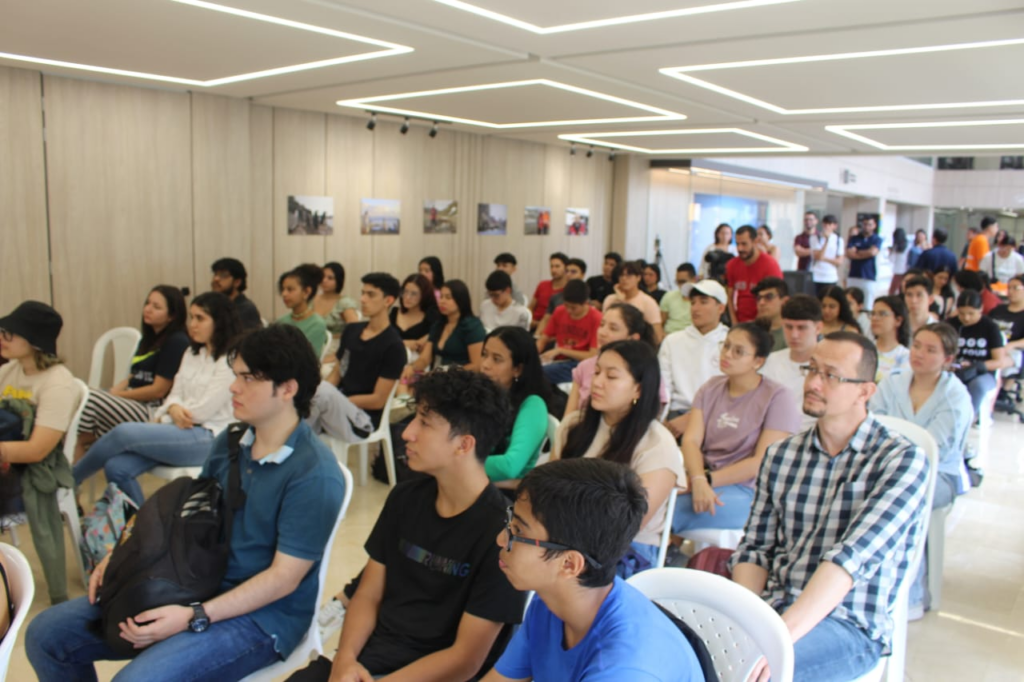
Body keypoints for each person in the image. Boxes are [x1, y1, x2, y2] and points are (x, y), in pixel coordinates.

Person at [28, 324, 346, 681]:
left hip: (262, 618)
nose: (233, 387)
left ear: (287, 388)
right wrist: (121, 561)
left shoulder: (314, 474)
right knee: (47, 634)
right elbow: (183, 520)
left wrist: (195, 615)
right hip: (194, 581)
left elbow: (283, 580)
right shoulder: (232, 440)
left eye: (248, 378)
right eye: (235, 375)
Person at [294, 369, 526, 682]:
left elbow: (465, 659)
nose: (407, 433)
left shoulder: (503, 534)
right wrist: (345, 661)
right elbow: (368, 595)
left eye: (425, 423)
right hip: (368, 661)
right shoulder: (405, 498)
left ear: (464, 445)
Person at [731, 332, 930, 682]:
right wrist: (747, 623)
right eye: (812, 370)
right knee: (699, 653)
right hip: (774, 607)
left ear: (865, 391)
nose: (813, 383)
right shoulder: (782, 454)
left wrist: (774, 638)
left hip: (847, 624)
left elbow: (850, 560)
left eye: (830, 376)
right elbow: (756, 548)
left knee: (756, 670)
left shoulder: (901, 460)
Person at [483, 458, 703, 682]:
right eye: (510, 523)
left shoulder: (625, 669)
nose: (501, 539)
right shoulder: (550, 604)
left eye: (517, 531)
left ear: (569, 564)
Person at [73, 292, 242, 506]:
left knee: (124, 432)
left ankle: (70, 481)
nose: (193, 324)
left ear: (219, 322)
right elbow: (174, 394)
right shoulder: (192, 353)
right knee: (116, 467)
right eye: (192, 317)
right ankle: (144, 531)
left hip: (210, 437)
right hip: (179, 430)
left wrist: (172, 410)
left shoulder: (231, 360)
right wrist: (172, 410)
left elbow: (202, 412)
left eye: (200, 318)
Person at [553, 340, 684, 576]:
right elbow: (546, 490)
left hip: (624, 552)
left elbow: (629, 525)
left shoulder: (657, 444)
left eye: (611, 377)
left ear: (639, 389)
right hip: (562, 537)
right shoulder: (573, 426)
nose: (597, 382)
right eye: (596, 372)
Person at [870, 323, 972, 617]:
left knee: (904, 500)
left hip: (940, 476)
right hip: (889, 467)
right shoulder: (894, 382)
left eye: (931, 350)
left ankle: (910, 596)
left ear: (948, 359)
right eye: (917, 346)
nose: (920, 354)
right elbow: (875, 426)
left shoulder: (955, 396)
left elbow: (934, 449)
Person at [674, 324, 800, 535]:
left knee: (668, 511)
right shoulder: (710, 388)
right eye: (726, 346)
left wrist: (706, 482)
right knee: (651, 499)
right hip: (703, 477)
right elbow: (691, 441)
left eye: (738, 351)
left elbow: (760, 462)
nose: (727, 355)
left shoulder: (777, 397)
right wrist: (697, 479)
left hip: (750, 492)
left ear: (758, 361)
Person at [0, 301, 76, 604]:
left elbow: (37, 450)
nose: (2, 338)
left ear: (34, 341)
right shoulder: (9, 371)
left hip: (32, 472)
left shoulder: (58, 383)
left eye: (9, 333)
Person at [75, 285, 190, 460]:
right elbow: (131, 377)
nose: (148, 309)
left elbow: (158, 390)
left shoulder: (177, 342)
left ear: (172, 316)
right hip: (132, 403)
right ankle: (71, 484)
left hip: (153, 411)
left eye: (156, 307)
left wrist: (117, 396)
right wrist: (112, 392)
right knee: (76, 428)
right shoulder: (148, 340)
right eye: (147, 303)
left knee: (88, 397)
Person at [317, 274, 407, 441]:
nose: (363, 299)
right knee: (304, 404)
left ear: (388, 301)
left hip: (364, 417)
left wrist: (338, 400)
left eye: (370, 295)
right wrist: (321, 393)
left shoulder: (393, 345)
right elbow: (337, 373)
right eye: (362, 293)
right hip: (340, 403)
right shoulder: (352, 330)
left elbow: (378, 400)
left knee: (305, 418)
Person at [566, 303, 667, 416]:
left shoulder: (646, 370)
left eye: (613, 328)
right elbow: (569, 418)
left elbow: (653, 417)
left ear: (633, 338)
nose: (602, 332)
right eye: (602, 325)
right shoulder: (584, 367)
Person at [480, 327, 553, 483]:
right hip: (470, 481)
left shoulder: (532, 405)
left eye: (497, 359)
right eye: (484, 355)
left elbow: (509, 466)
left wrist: (455, 460)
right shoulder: (483, 395)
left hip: (504, 495)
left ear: (518, 369)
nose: (485, 364)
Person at [660, 280, 730, 439]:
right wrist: (661, 422)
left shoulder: (731, 342)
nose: (695, 308)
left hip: (718, 416)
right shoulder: (673, 341)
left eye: (703, 302)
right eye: (693, 303)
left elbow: (735, 392)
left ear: (721, 308)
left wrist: (694, 418)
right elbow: (664, 387)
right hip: (676, 414)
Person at [401, 279, 486, 389]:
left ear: (460, 300)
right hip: (438, 377)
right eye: (441, 297)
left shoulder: (472, 326)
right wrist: (412, 368)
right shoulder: (438, 325)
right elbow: (425, 359)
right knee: (403, 380)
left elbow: (476, 365)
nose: (442, 301)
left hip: (462, 380)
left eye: (448, 298)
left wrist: (444, 373)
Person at [948, 289, 1013, 421]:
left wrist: (977, 366)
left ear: (981, 309)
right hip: (955, 370)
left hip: (983, 373)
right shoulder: (950, 325)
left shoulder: (990, 327)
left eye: (971, 314)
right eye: (962, 313)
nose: (966, 318)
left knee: (977, 385)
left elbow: (999, 361)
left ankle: (966, 419)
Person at [763, 295, 824, 433]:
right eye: (788, 327)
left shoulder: (828, 368)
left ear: (818, 327)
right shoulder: (770, 361)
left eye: (802, 328)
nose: (794, 335)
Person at [537, 280, 602, 384]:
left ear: (585, 303)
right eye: (566, 305)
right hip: (558, 360)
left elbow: (592, 355)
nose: (569, 310)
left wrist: (560, 350)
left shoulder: (596, 318)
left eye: (573, 308)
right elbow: (544, 338)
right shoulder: (559, 311)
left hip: (580, 363)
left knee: (541, 374)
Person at [727, 225, 783, 325]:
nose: (740, 248)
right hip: (740, 323)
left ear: (755, 241)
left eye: (744, 244)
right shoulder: (732, 265)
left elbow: (776, 299)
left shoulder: (770, 265)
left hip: (763, 323)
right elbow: (729, 297)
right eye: (738, 244)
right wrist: (734, 323)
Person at [603, 260, 664, 344]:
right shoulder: (610, 299)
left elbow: (657, 336)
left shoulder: (648, 302)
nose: (624, 279)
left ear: (638, 277)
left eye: (629, 275)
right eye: (621, 275)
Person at [276, 264, 328, 358]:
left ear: (306, 292)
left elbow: (311, 359)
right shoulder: (281, 322)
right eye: (283, 289)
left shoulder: (316, 324)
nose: (284, 294)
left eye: (290, 289)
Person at [389, 273, 439, 353]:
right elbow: (383, 340)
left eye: (414, 294)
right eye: (405, 292)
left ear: (424, 295)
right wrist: (404, 343)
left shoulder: (431, 316)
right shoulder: (394, 313)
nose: (407, 297)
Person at [210, 257, 262, 331]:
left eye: (223, 275)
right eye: (215, 274)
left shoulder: (246, 309)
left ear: (237, 282)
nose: (216, 279)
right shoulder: (213, 305)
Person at [537, 258, 587, 333]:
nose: (569, 274)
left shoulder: (585, 300)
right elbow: (545, 320)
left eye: (573, 272)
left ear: (582, 275)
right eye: (567, 271)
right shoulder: (555, 297)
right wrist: (536, 337)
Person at [314, 262, 359, 341]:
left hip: (334, 345)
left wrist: (333, 337)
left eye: (330, 278)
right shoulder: (312, 299)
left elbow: (355, 329)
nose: (324, 280)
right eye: (322, 277)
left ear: (339, 280)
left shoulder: (344, 303)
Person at [870, 296, 911, 382]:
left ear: (898, 320)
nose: (875, 318)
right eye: (873, 314)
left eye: (882, 314)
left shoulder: (905, 356)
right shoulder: (864, 349)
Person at [846, 216, 883, 311]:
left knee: (867, 305)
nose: (867, 227)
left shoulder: (877, 239)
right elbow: (849, 253)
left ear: (874, 226)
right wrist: (865, 253)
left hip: (868, 276)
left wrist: (857, 251)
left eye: (870, 224)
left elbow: (872, 252)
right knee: (849, 302)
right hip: (854, 274)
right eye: (865, 224)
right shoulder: (854, 238)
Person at [528, 252, 569, 327]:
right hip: (532, 324)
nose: (553, 270)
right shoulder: (542, 285)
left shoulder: (568, 290)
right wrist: (528, 320)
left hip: (552, 327)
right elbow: (531, 307)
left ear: (566, 268)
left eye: (557, 266)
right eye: (551, 266)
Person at [752, 276, 789, 351]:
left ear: (784, 301)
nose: (761, 303)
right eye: (759, 298)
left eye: (769, 297)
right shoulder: (749, 331)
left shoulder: (792, 335)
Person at [989, 275, 1024, 353]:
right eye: (1009, 288)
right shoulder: (998, 310)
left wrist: (1012, 345)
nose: (1010, 291)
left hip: (1014, 352)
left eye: (1015, 288)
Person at [811, 214, 844, 295]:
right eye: (825, 224)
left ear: (834, 226)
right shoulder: (815, 238)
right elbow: (818, 256)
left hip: (831, 276)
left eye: (830, 224)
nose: (827, 226)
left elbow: (839, 261)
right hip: (817, 276)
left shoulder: (839, 240)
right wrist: (826, 241)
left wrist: (824, 258)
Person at [660, 263, 695, 334]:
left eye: (683, 282)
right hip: (669, 336)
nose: (680, 285)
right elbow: (661, 323)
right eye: (677, 282)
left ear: (694, 279)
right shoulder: (669, 296)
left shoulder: (701, 300)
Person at [888, 228, 910, 295]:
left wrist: (890, 252)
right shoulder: (909, 245)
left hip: (898, 271)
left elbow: (891, 259)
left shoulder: (896, 247)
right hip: (906, 270)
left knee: (892, 291)